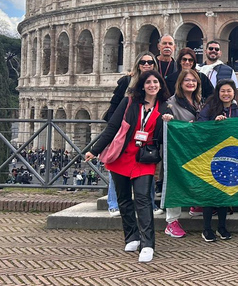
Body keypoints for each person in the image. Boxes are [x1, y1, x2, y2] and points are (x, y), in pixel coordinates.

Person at [85, 70, 170, 263]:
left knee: (143, 199)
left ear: (160, 85)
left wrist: (167, 123)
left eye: (156, 82)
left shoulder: (165, 107)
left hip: (144, 158)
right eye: (148, 82)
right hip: (121, 156)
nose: (152, 85)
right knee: (123, 199)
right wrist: (95, 150)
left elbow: (167, 136)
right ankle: (131, 236)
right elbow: (112, 128)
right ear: (142, 85)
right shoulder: (128, 103)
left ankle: (148, 244)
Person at [102, 51, 157, 216]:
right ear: (137, 64)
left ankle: (151, 204)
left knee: (147, 165)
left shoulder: (155, 82)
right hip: (125, 131)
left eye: (150, 62)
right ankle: (114, 203)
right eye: (143, 62)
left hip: (145, 131)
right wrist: (116, 128)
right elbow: (114, 106)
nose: (146, 65)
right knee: (116, 165)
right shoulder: (127, 81)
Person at [160, 68, 207, 239]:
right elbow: (169, 124)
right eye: (187, 80)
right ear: (180, 82)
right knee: (176, 182)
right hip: (177, 149)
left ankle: (195, 205)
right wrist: (169, 120)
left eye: (194, 80)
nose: (190, 83)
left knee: (196, 176)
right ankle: (171, 222)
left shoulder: (199, 101)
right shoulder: (171, 102)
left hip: (195, 148)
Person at [196, 79, 238, 242]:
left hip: (229, 156)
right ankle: (206, 228)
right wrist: (214, 123)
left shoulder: (237, 110)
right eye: (223, 91)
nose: (226, 94)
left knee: (224, 193)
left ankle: (222, 227)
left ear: (234, 93)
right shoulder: (209, 107)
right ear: (218, 92)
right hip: (211, 156)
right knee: (210, 194)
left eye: (229, 91)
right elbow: (200, 127)